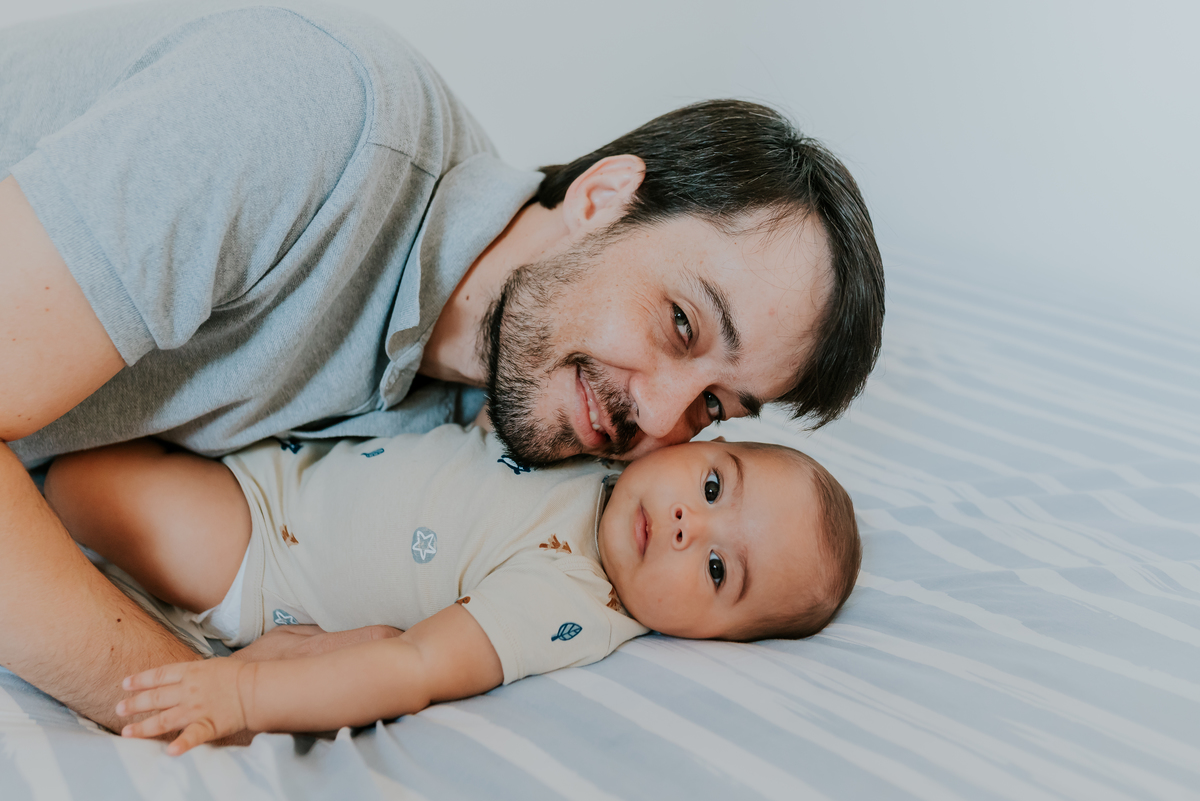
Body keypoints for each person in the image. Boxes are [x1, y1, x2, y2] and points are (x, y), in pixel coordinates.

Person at [0, 1, 883, 729]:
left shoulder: (498, 420)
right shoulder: (311, 120)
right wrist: (191, 689)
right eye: (681, 323)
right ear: (604, 197)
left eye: (714, 406)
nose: (656, 419)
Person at [41, 424, 861, 754]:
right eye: (714, 484)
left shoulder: (571, 599)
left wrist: (243, 694)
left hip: (259, 551)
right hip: (281, 464)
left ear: (710, 638)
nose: (689, 524)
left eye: (717, 569)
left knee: (74, 480)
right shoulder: (606, 452)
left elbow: (415, 666)